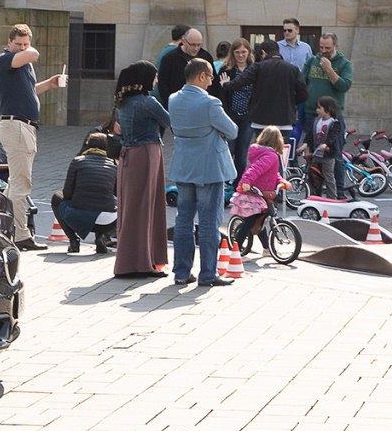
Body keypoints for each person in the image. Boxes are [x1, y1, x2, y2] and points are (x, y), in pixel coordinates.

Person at [0, 23, 64, 251]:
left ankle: (1, 226)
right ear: (9, 42)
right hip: (16, 126)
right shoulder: (4, 60)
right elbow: (34, 54)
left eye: (26, 44)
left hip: (25, 127)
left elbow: (28, 91)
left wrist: (49, 84)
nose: (23, 48)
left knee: (15, 183)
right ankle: (21, 235)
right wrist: (30, 51)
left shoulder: (23, 64)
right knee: (22, 183)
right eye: (19, 44)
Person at [167, 59, 238, 287]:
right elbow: (233, 131)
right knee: (209, 222)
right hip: (209, 167)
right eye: (209, 77)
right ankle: (207, 274)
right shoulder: (210, 103)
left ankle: (181, 272)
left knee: (183, 220)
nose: (211, 81)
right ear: (200, 76)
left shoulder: (173, 99)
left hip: (184, 165)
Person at [113, 61, 170, 279]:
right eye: (154, 76)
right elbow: (169, 120)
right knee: (148, 207)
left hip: (128, 154)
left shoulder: (123, 102)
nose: (156, 80)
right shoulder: (148, 102)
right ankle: (144, 262)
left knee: (131, 209)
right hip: (147, 153)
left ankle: (129, 261)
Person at [229, 127, 292, 257]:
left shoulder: (266, 154)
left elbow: (273, 174)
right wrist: (246, 182)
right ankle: (235, 252)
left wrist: (282, 181)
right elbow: (255, 169)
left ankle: (267, 249)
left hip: (261, 194)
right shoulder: (270, 156)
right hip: (254, 194)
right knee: (251, 221)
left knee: (260, 220)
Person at [51, 132, 118, 255]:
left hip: (78, 218)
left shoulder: (77, 162)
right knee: (121, 205)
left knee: (57, 197)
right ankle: (103, 236)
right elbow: (118, 194)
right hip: (107, 222)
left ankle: (73, 240)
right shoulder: (114, 165)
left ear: (87, 145)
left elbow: (66, 193)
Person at [235, 41, 305, 147]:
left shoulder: (258, 67)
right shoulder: (292, 69)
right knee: (280, 156)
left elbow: (240, 82)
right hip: (284, 120)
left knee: (262, 154)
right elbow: (303, 94)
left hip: (260, 119)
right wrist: (291, 101)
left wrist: (225, 84)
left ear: (263, 53)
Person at [301, 33, 351, 152]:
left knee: (334, 152)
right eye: (321, 47)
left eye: (327, 48)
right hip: (312, 112)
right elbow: (302, 83)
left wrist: (329, 70)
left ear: (336, 46)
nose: (324, 50)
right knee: (313, 152)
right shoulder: (312, 60)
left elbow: (344, 86)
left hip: (332, 115)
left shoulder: (344, 64)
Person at [215, 39, 254, 172]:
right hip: (230, 115)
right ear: (232, 53)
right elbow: (220, 94)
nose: (241, 55)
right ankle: (226, 181)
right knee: (228, 150)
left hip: (247, 116)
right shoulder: (225, 70)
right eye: (237, 52)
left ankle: (239, 183)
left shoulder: (254, 69)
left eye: (244, 52)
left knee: (242, 152)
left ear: (249, 52)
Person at [156, 28, 212, 106]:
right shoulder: (170, 58)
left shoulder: (205, 56)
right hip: (177, 103)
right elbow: (162, 83)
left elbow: (213, 82)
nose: (196, 48)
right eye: (192, 45)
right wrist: (169, 104)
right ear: (183, 41)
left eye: (199, 45)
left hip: (201, 103)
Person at [306, 95, 347, 199]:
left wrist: (326, 144)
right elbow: (310, 135)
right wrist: (304, 145)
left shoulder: (334, 123)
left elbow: (332, 136)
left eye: (319, 108)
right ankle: (315, 195)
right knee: (314, 176)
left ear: (328, 109)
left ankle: (332, 197)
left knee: (328, 177)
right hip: (316, 154)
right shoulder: (316, 121)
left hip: (328, 155)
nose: (317, 110)